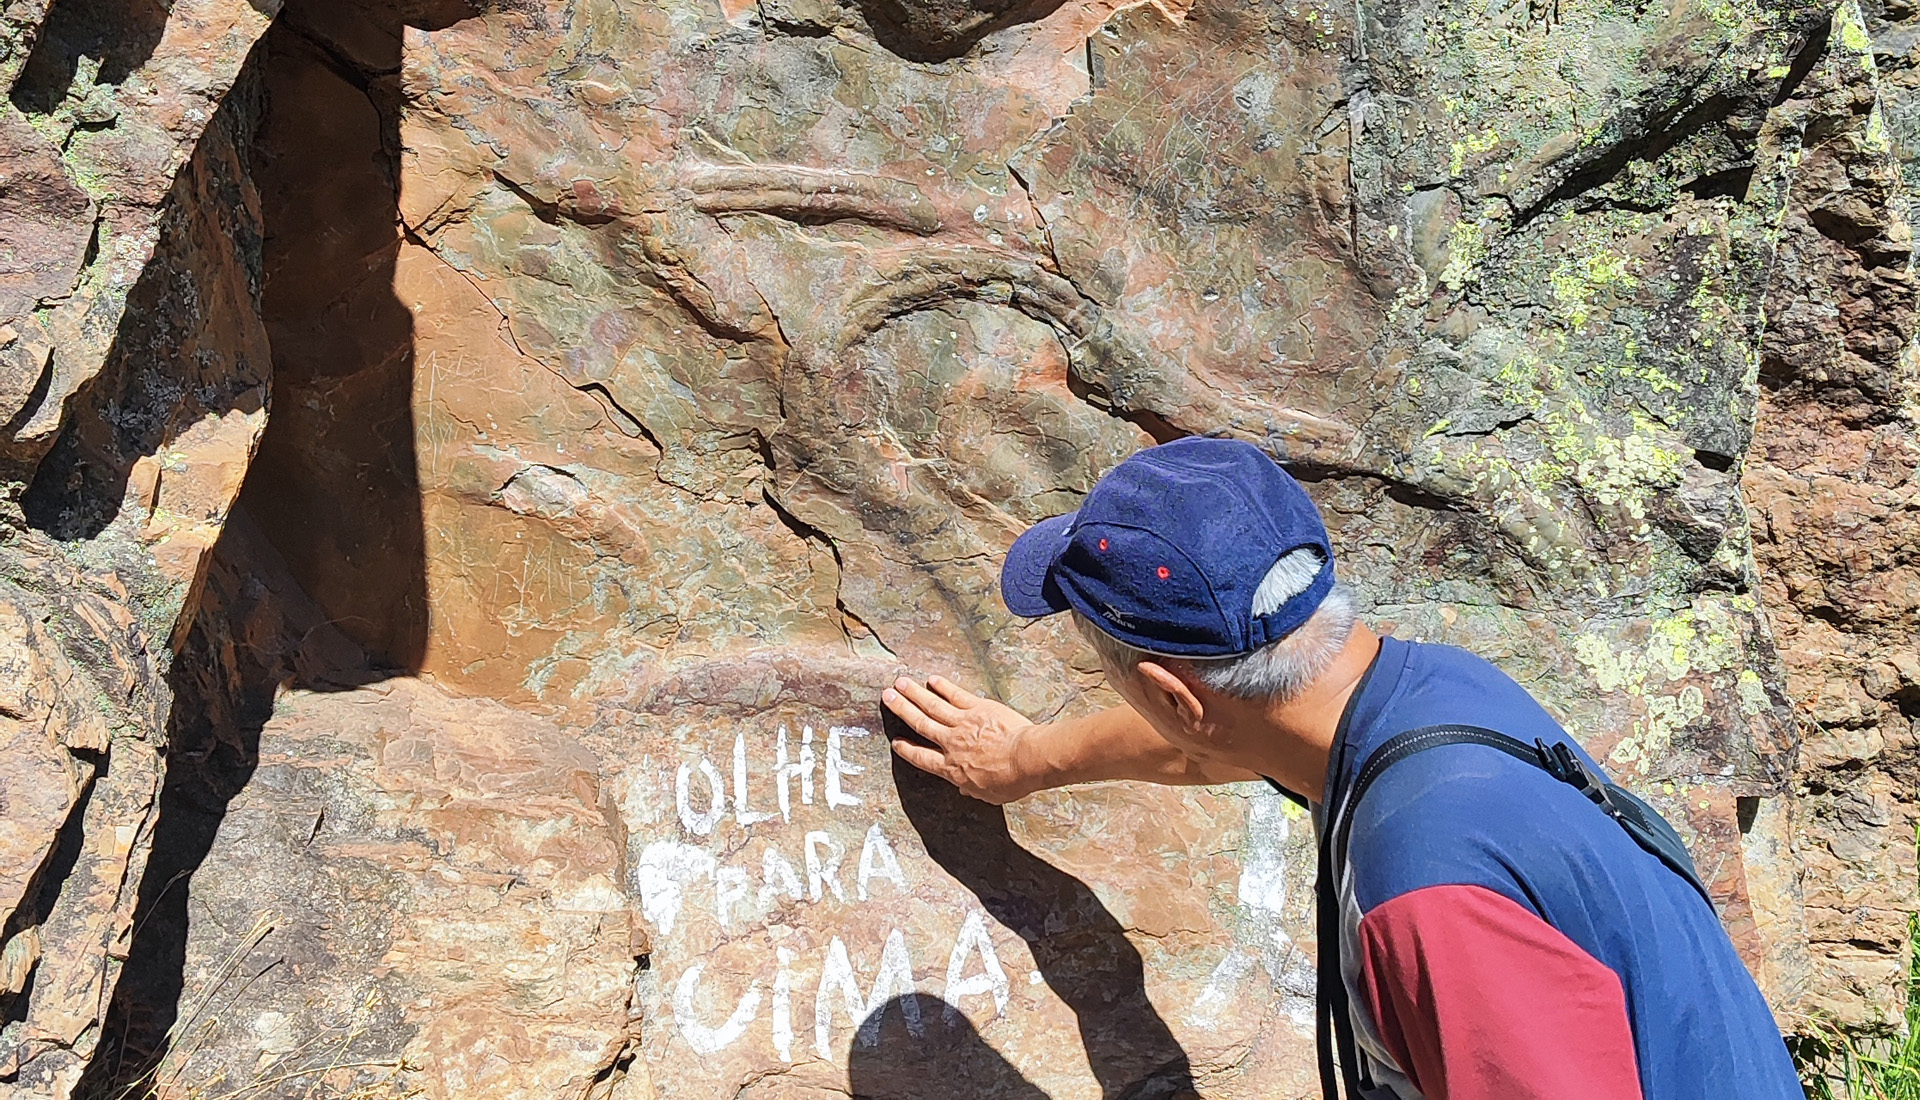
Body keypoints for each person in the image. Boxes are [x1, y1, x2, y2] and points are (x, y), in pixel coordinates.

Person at [880, 436, 1802, 1100]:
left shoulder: (1429, 895)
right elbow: (1213, 746)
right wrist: (1029, 759)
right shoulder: (1429, 697)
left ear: (1173, 693)